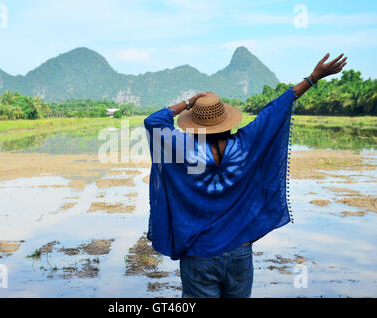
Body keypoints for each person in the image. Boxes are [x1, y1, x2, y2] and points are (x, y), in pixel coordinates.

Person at [143, 53, 347, 298]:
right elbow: (275, 110)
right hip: (239, 251)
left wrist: (188, 103)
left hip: (198, 254)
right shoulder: (245, 144)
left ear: (194, 125)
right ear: (226, 121)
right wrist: (313, 78)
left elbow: (153, 121)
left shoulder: (182, 150)